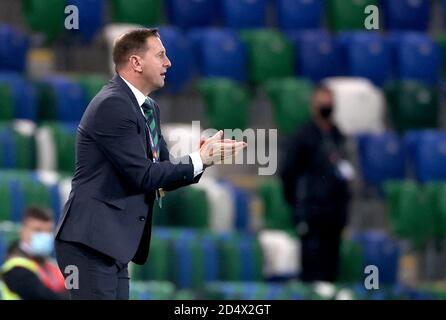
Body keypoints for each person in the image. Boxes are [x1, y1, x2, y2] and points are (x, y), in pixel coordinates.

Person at [54, 28, 246, 300]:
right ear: (136, 62)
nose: (168, 63)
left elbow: (162, 173)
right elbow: (143, 176)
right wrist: (197, 160)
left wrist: (205, 160)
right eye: (160, 55)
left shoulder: (148, 108)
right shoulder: (113, 105)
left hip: (112, 244)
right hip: (90, 243)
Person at [280, 85, 354, 283]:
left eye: (329, 103)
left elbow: (347, 174)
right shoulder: (304, 135)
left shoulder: (339, 136)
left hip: (335, 214)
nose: (326, 106)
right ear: (313, 105)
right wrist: (298, 206)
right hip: (311, 212)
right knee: (312, 270)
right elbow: (288, 173)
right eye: (322, 102)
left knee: (331, 270)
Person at [1, 206, 67, 300]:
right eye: (38, 230)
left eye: (49, 231)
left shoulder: (53, 266)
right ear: (23, 232)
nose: (45, 236)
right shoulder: (15, 269)